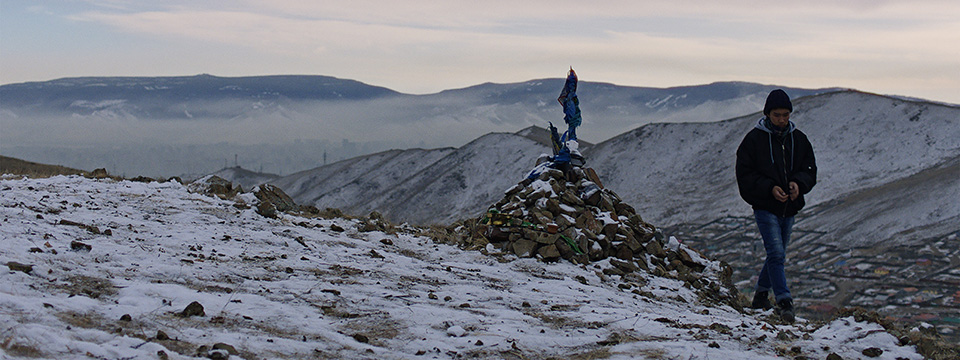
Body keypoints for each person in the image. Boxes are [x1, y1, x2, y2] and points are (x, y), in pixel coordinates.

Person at [735, 89, 817, 323]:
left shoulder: (798, 139)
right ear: (768, 114)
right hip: (765, 207)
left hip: (789, 208)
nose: (782, 119)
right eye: (777, 115)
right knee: (777, 254)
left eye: (785, 115)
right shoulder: (754, 140)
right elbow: (745, 174)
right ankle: (784, 301)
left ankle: (761, 296)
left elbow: (810, 169)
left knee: (776, 255)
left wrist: (798, 184)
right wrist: (769, 188)